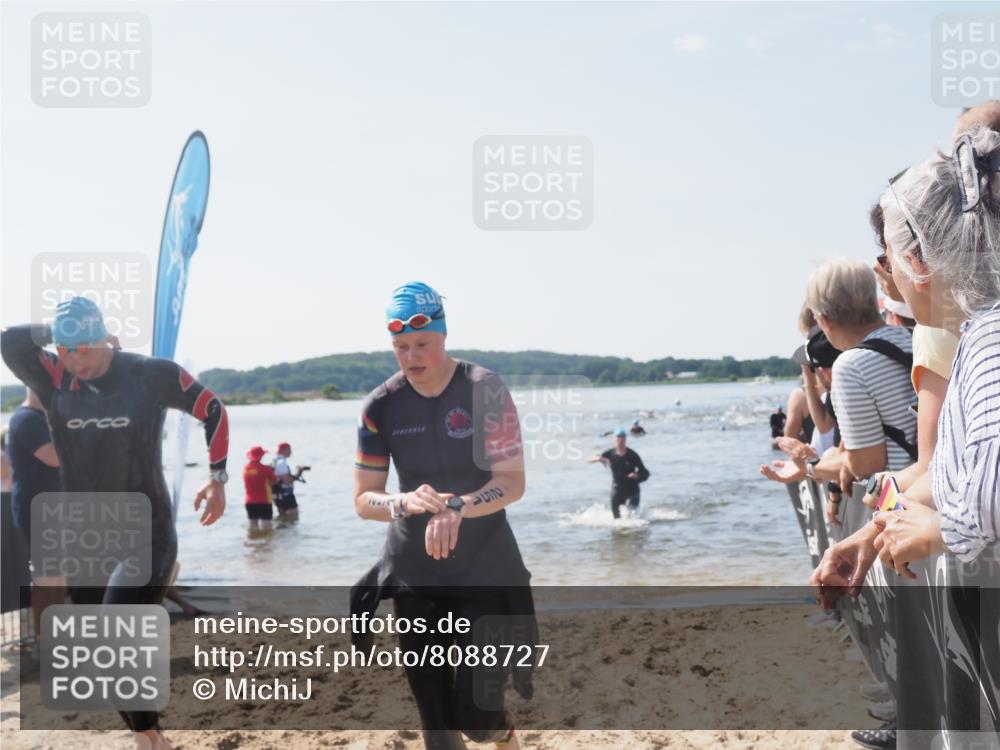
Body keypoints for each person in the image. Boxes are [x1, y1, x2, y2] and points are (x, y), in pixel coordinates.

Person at [813, 124, 1000, 743]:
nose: (883, 272)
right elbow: (942, 466)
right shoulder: (972, 334)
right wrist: (872, 532)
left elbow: (986, 489)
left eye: (889, 255)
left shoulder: (989, 339)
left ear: (917, 262)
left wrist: (938, 529)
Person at [1, 297, 229, 750]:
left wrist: (217, 478)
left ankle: (149, 738)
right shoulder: (54, 380)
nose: (75, 360)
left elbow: (212, 408)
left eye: (84, 347)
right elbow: (9, 341)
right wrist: (61, 332)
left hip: (148, 532)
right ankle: (150, 737)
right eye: (66, 350)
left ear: (105, 336)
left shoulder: (149, 374)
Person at [351, 281, 531, 750]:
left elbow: (512, 481)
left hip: (485, 566)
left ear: (444, 336)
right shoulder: (379, 406)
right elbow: (364, 499)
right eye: (400, 347)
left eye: (422, 344)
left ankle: (499, 730)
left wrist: (459, 505)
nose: (412, 356)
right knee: (436, 719)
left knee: (476, 711)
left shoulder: (484, 389)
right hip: (415, 572)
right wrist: (401, 502)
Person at [6, 388, 65, 643]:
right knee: (48, 577)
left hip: (54, 509)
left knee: (60, 576)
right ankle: (44, 640)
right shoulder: (26, 418)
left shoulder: (45, 418)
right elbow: (54, 457)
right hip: (36, 510)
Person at [589, 427, 651, 519]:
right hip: (617, 489)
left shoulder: (632, 455)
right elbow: (588, 460)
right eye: (618, 437)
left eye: (623, 437)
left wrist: (637, 475)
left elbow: (645, 472)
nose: (621, 439)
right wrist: (597, 459)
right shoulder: (609, 453)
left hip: (632, 489)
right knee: (616, 520)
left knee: (633, 518)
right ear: (614, 439)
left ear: (625, 439)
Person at [271, 441, 308, 519]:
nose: (291, 452)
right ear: (285, 450)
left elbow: (280, 477)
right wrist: (298, 473)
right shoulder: (281, 462)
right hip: (286, 494)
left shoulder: (274, 461)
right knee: (294, 516)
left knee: (282, 516)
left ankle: (283, 530)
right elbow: (286, 480)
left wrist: (296, 475)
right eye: (290, 450)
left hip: (276, 493)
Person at [243, 445, 276, 532]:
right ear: (261, 456)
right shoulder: (266, 469)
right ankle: (264, 544)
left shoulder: (246, 469)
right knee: (267, 527)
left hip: (249, 502)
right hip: (264, 501)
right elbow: (274, 482)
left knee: (252, 526)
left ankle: (253, 543)